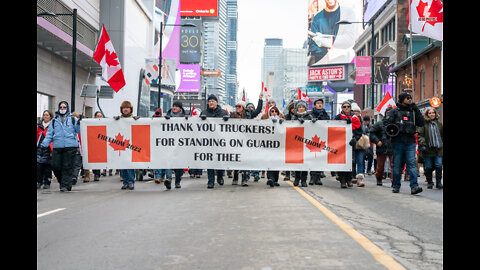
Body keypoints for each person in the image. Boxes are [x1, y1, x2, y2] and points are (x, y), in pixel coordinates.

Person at [383, 92, 425, 194]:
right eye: (407, 98)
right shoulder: (394, 112)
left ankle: (414, 186)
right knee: (397, 164)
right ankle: (396, 185)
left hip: (410, 141)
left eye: (410, 98)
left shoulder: (413, 111)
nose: (410, 100)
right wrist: (390, 133)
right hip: (397, 141)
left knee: (411, 164)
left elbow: (422, 123)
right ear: (402, 99)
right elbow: (386, 124)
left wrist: (416, 110)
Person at [40, 101, 81, 192]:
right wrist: (44, 144)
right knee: (55, 166)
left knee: (67, 166)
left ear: (67, 108)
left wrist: (79, 123)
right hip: (57, 146)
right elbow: (50, 134)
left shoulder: (73, 119)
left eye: (64, 107)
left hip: (70, 146)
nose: (62, 109)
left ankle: (65, 186)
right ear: (59, 108)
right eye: (61, 107)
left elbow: (79, 131)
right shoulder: (54, 120)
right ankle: (64, 182)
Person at [308, 0, 357, 65]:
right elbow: (313, 47)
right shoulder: (317, 18)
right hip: (324, 66)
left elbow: (349, 40)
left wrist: (324, 41)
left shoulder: (349, 13)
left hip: (346, 63)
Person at [230, 92, 264, 186]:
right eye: (236, 106)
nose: (237, 108)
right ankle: (235, 177)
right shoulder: (232, 115)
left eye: (239, 106)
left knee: (245, 160)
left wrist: (260, 99)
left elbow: (257, 111)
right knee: (237, 160)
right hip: (236, 142)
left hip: (246, 141)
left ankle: (244, 179)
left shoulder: (249, 113)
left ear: (243, 108)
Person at [200, 94, 229, 189]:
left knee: (220, 161)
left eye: (213, 101)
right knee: (210, 161)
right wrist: (201, 119)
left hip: (220, 142)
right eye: (210, 101)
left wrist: (227, 119)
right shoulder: (204, 112)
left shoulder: (223, 112)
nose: (211, 102)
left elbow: (230, 126)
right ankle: (210, 181)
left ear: (217, 102)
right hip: (208, 142)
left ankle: (220, 176)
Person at [333, 100, 361, 188]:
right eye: (344, 107)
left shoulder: (355, 118)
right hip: (340, 143)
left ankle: (349, 179)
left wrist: (355, 139)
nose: (346, 108)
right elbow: (333, 128)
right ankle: (342, 180)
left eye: (348, 106)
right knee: (341, 161)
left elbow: (360, 131)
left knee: (351, 162)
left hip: (350, 143)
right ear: (342, 108)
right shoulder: (338, 117)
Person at [114, 100, 140, 190]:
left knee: (130, 165)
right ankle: (125, 182)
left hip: (131, 145)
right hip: (121, 144)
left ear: (130, 109)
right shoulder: (118, 119)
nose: (125, 109)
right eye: (124, 108)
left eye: (127, 108)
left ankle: (131, 182)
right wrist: (114, 120)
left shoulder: (135, 119)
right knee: (123, 165)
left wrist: (139, 120)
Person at [418, 107, 443, 189]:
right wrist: (423, 144)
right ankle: (429, 182)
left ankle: (438, 183)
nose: (432, 114)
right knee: (428, 166)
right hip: (428, 149)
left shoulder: (439, 124)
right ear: (427, 114)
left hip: (438, 149)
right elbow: (420, 135)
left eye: (433, 113)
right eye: (430, 113)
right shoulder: (423, 124)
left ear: (435, 114)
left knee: (438, 165)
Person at [164, 101, 187, 189]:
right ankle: (168, 179)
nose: (174, 108)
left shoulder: (184, 118)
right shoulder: (167, 117)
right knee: (168, 162)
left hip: (180, 144)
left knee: (179, 164)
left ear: (180, 108)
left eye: (176, 106)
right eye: (173, 106)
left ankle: (177, 181)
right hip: (169, 143)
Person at [369, 106, 394, 186]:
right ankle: (379, 178)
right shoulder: (379, 124)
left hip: (393, 146)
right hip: (382, 146)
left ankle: (394, 181)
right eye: (388, 113)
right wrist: (377, 141)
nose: (389, 114)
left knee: (394, 165)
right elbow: (372, 133)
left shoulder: (396, 124)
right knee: (380, 167)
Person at [309, 98, 330, 185]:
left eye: (321, 103)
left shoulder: (325, 114)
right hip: (312, 139)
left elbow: (329, 123)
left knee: (320, 159)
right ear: (314, 105)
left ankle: (318, 178)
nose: (320, 105)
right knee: (312, 158)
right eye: (318, 103)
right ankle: (312, 178)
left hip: (322, 139)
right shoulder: (310, 114)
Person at [292, 100, 312, 187]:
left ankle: (304, 180)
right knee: (297, 162)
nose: (301, 108)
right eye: (299, 107)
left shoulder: (309, 116)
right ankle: (297, 178)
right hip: (297, 142)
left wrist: (314, 122)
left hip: (307, 142)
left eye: (303, 107)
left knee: (305, 162)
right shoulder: (294, 117)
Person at [264, 106, 285, 187]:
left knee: (276, 163)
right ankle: (270, 178)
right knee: (270, 162)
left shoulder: (281, 121)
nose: (274, 113)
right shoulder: (266, 121)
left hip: (278, 146)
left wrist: (283, 123)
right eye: (272, 111)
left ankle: (275, 180)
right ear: (269, 113)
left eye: (276, 111)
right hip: (269, 145)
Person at [37, 110, 54, 189]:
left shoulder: (52, 126)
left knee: (47, 166)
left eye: (47, 115)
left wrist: (52, 150)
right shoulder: (39, 126)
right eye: (44, 115)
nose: (45, 116)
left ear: (50, 116)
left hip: (48, 148)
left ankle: (47, 181)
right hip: (40, 148)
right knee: (39, 166)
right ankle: (39, 181)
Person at [351, 103, 366, 187]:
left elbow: (365, 131)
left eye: (358, 111)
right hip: (352, 143)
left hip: (360, 143)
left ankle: (360, 179)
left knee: (360, 161)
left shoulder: (362, 121)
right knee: (352, 161)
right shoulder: (350, 119)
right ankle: (352, 177)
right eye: (354, 111)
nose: (356, 112)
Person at [283, 101, 296, 181]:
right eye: (292, 108)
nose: (294, 110)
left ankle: (294, 171)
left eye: (295, 108)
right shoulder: (286, 117)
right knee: (288, 158)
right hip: (288, 139)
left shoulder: (299, 116)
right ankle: (287, 174)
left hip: (297, 139)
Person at [92, 111, 105, 181]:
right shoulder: (91, 124)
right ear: (95, 117)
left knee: (98, 159)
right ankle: (95, 172)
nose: (99, 117)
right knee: (94, 160)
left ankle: (97, 174)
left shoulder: (104, 124)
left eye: (100, 116)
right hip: (93, 144)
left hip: (101, 144)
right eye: (98, 116)